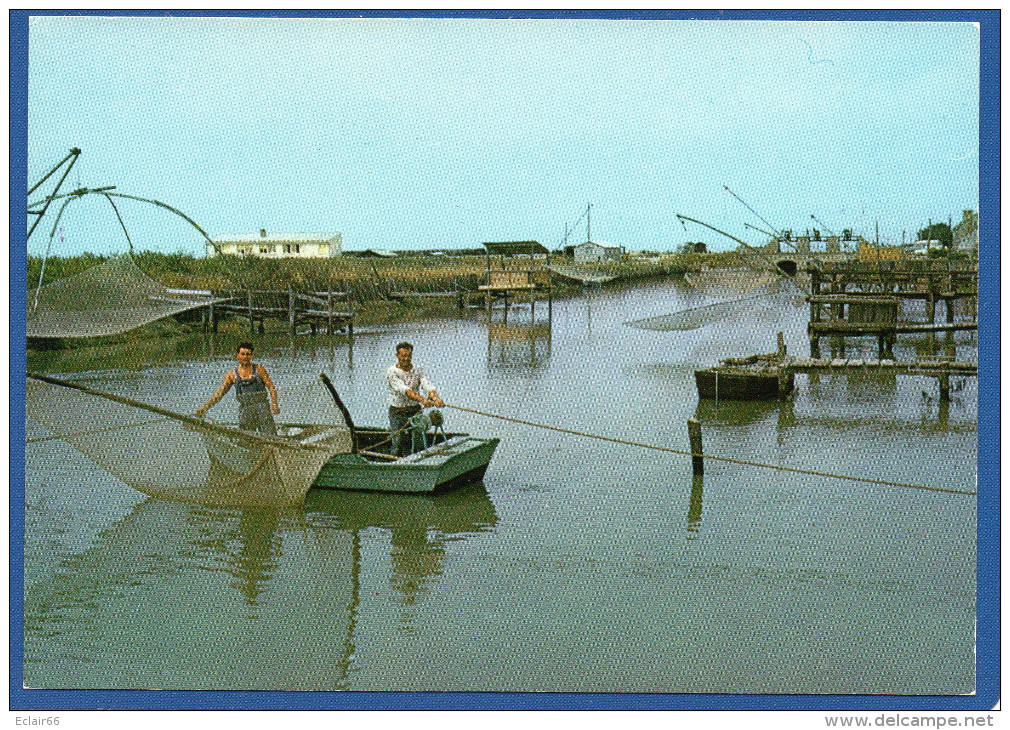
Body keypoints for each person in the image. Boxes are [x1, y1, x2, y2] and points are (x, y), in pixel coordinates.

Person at [195, 342, 280, 435]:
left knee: (270, 435)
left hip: (262, 407)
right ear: (237, 355)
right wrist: (205, 408)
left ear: (252, 355)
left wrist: (274, 404)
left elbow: (271, 387)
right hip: (245, 410)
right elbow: (220, 393)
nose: (245, 357)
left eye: (248, 354)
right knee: (246, 438)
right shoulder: (232, 374)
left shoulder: (259, 369)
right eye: (242, 354)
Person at [386, 341, 444, 456]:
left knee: (420, 443)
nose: (406, 359)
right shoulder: (392, 372)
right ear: (397, 356)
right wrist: (423, 400)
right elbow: (406, 391)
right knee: (397, 442)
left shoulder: (418, 370)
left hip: (415, 410)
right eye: (403, 356)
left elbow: (427, 385)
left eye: (409, 356)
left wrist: (435, 398)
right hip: (398, 412)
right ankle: (394, 462)